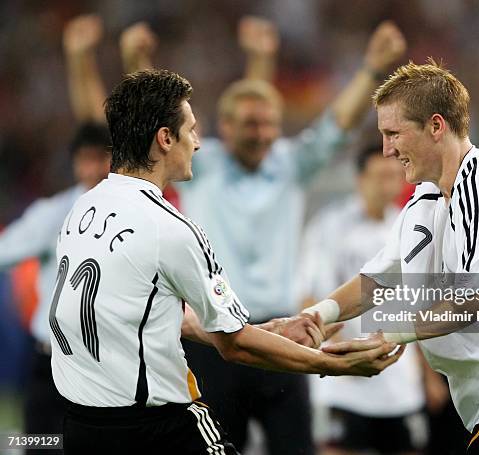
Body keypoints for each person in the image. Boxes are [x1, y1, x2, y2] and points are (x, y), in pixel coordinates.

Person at [51, 69, 403, 454]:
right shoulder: (170, 228)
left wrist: (262, 330)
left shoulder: (82, 208)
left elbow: (144, 311)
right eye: (192, 130)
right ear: (165, 139)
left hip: (80, 423)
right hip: (156, 427)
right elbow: (235, 345)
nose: (199, 143)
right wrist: (335, 365)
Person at [303, 60, 479, 454]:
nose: (387, 150)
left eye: (394, 134)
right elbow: (386, 276)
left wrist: (387, 335)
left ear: (436, 126)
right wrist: (316, 317)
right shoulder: (425, 197)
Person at [178, 21, 407, 454]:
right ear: (221, 128)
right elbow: (158, 126)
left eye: (270, 124)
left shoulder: (289, 165)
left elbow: (335, 124)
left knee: (296, 448)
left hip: (282, 333)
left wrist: (370, 69)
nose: (263, 132)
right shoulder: (199, 168)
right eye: (250, 125)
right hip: (215, 339)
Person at [300, 145, 440, 455]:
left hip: (400, 381)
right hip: (343, 379)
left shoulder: (409, 227)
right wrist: (325, 356)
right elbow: (310, 294)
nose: (387, 184)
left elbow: (419, 303)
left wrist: (429, 376)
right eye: (379, 175)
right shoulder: (330, 226)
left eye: (393, 175)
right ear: (360, 178)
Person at [0, 122, 111, 454]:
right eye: (85, 159)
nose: (92, 169)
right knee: (39, 444)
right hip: (50, 361)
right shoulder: (53, 214)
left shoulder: (137, 215)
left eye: (100, 158)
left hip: (103, 364)